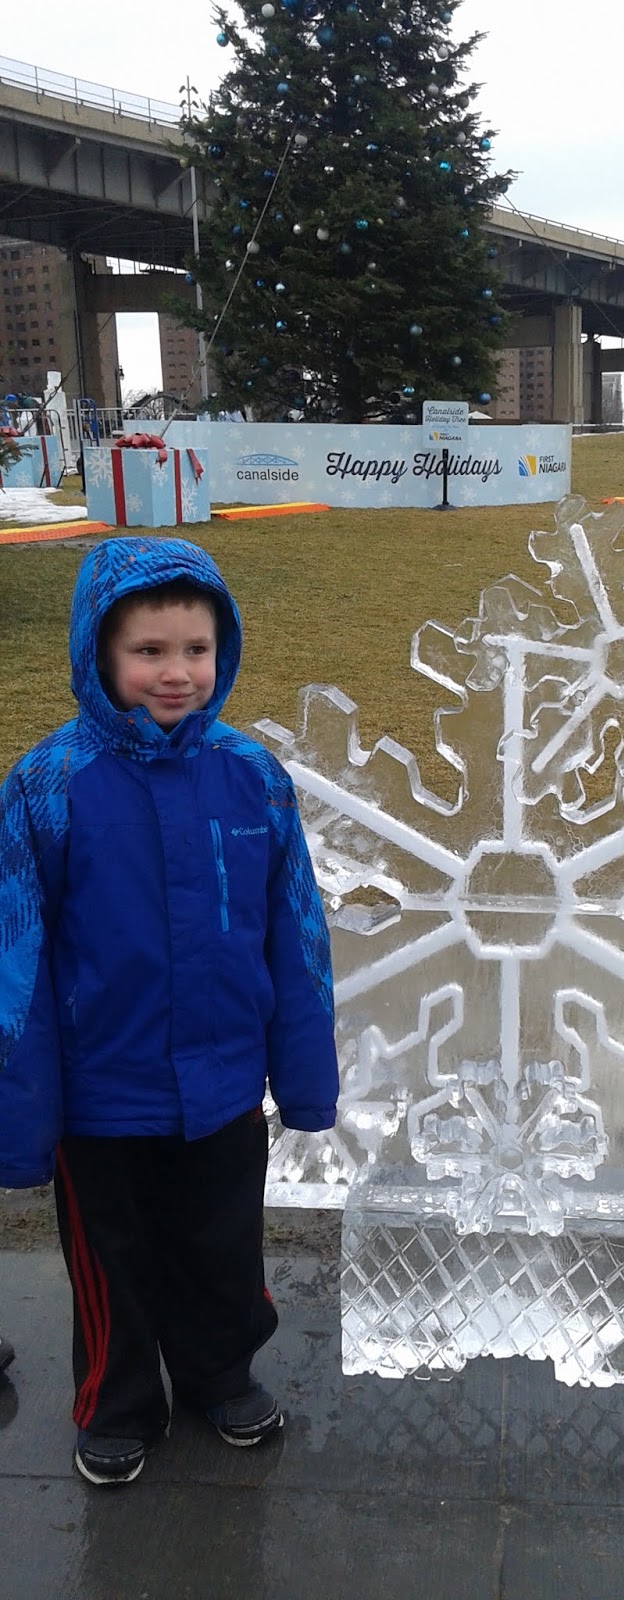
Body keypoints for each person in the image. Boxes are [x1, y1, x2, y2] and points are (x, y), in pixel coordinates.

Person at [0, 537, 338, 1488]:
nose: (176, 672)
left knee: (220, 1244)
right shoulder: (48, 786)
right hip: (101, 1095)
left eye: (196, 649)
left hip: (223, 1086)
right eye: (148, 651)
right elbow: (15, 960)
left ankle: (218, 1373)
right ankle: (117, 1401)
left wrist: (305, 1079)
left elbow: (297, 935)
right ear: (99, 653)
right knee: (112, 1259)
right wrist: (23, 1121)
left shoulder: (252, 777)